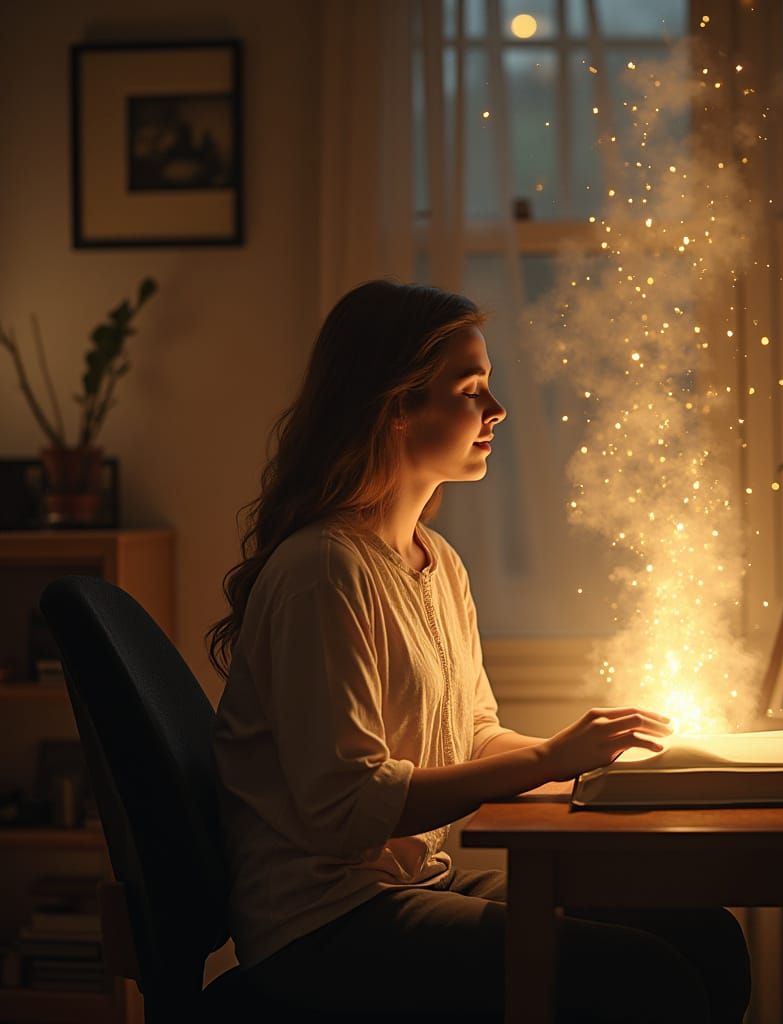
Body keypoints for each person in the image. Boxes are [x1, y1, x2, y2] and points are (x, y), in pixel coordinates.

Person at [208, 280, 751, 1023]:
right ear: (396, 407)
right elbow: (342, 808)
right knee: (644, 979)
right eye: (470, 391)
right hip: (325, 923)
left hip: (418, 886)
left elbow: (471, 735)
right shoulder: (322, 572)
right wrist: (548, 760)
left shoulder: (438, 563)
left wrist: (594, 766)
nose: (495, 412)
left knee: (705, 934)